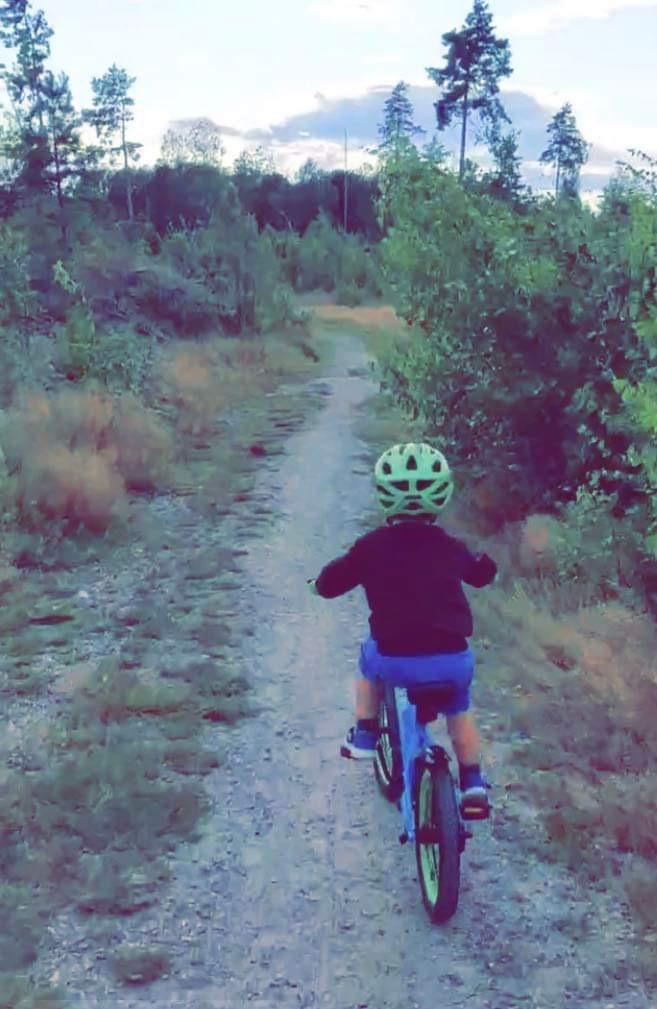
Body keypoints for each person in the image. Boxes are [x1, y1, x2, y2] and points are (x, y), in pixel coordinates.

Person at [309, 442, 496, 816]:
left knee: (368, 660)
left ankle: (364, 733)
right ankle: (473, 782)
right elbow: (479, 575)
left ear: (383, 496)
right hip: (451, 660)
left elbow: (332, 583)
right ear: (441, 495)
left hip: (395, 660)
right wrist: (488, 561)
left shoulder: (370, 546)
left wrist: (317, 584)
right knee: (459, 708)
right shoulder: (449, 545)